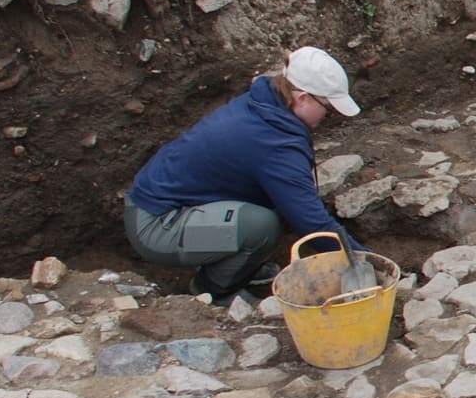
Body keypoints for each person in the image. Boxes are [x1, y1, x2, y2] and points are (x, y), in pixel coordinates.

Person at [125, 47, 365, 302]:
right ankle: (214, 290)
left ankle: (243, 262)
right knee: (262, 226)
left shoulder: (265, 104)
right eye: (327, 108)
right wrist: (364, 263)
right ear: (303, 98)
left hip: (168, 204)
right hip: (157, 225)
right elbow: (313, 224)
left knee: (275, 205)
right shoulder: (273, 143)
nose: (329, 116)